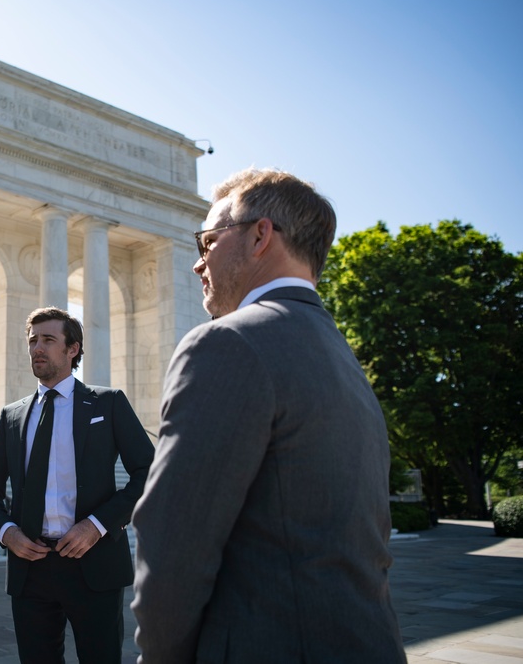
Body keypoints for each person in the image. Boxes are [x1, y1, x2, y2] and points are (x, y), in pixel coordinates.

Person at [131, 168, 406, 663]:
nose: (198, 263)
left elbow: (174, 545)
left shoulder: (227, 343)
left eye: (209, 241)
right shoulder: (343, 360)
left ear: (260, 235)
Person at [0, 306, 155, 664]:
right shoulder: (12, 415)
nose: (36, 348)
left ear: (72, 349)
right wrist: (6, 532)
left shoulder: (108, 403)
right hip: (31, 567)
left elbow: (150, 470)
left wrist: (98, 525)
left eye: (47, 340)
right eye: (32, 341)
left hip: (94, 564)